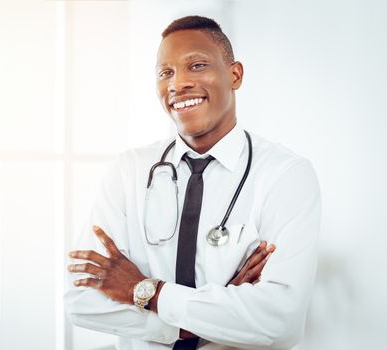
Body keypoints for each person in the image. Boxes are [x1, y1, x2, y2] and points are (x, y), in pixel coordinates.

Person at [65, 15, 321, 350]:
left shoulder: (286, 175)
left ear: (235, 75)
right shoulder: (129, 171)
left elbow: (279, 322)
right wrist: (205, 321)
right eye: (165, 72)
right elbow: (82, 302)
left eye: (197, 65)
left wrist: (144, 291)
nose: (178, 83)